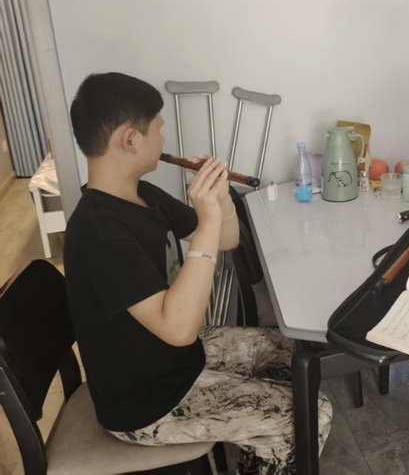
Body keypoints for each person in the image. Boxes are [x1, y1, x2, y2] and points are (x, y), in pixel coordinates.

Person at [64, 72, 332, 475]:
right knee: (310, 414)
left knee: (295, 353)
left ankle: (259, 451)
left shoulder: (142, 195)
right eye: (158, 130)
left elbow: (226, 239)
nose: (164, 141)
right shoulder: (100, 231)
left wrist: (221, 199)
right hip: (146, 402)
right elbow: (179, 329)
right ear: (131, 140)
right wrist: (206, 220)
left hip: (174, 362)